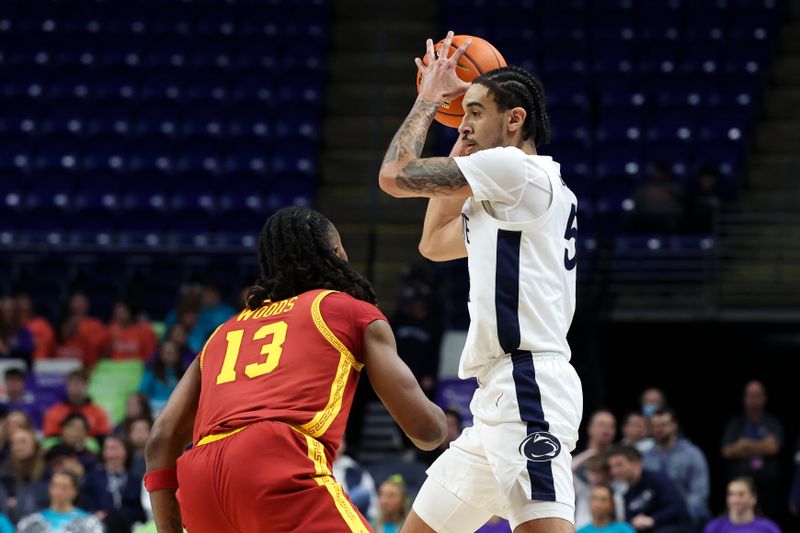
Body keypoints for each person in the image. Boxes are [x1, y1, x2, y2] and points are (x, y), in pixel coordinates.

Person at [379, 31, 582, 533]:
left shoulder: (515, 171)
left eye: (474, 112)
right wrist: (465, 140)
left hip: (529, 384)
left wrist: (428, 101)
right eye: (460, 112)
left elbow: (394, 175)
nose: (463, 122)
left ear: (515, 120)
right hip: (495, 393)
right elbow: (434, 242)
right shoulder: (508, 194)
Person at [145, 207, 447, 532]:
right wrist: (449, 419)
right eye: (341, 249)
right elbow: (426, 432)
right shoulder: (346, 310)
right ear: (331, 254)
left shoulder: (222, 333)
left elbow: (161, 439)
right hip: (274, 460)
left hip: (200, 486)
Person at [721, 380, 783, 520]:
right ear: (744, 398)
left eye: (757, 395)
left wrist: (744, 445)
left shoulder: (773, 423)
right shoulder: (735, 424)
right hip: (739, 481)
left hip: (767, 485)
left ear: (764, 397)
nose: (753, 399)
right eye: (750, 395)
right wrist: (762, 445)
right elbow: (727, 451)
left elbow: (773, 448)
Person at [643, 408, 711, 525]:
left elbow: (700, 493)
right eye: (655, 426)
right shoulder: (646, 457)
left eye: (663, 425)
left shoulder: (692, 454)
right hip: (656, 513)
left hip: (687, 510)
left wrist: (677, 509)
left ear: (674, 425)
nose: (658, 429)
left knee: (701, 513)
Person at [607, 445, 693, 533]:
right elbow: (629, 522)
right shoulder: (626, 493)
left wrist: (652, 520)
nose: (614, 471)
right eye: (612, 467)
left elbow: (677, 507)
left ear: (637, 463)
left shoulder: (657, 479)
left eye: (619, 465)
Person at [82, 435, 146, 532]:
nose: (111, 453)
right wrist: (96, 513)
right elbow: (85, 501)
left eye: (115, 448)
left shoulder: (134, 481)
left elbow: (140, 510)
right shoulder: (93, 477)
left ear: (126, 451)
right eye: (107, 448)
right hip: (99, 524)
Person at [16, 470, 103, 533]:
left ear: (75, 491)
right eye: (55, 486)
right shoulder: (31, 522)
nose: (58, 491)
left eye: (64, 487)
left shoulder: (89, 523)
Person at [42, 370, 111, 438]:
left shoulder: (99, 412)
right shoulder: (54, 412)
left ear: (87, 385)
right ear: (67, 386)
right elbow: (50, 437)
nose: (75, 387)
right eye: (72, 383)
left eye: (79, 383)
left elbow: (103, 437)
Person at [703, 477, 781, 533]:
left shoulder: (769, 528)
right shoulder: (714, 528)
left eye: (741, 494)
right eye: (731, 494)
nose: (735, 499)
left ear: (753, 499)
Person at [138, 340, 184, 415]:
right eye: (166, 352)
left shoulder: (183, 374)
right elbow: (143, 393)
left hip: (176, 410)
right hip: (154, 410)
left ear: (177, 355)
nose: (168, 355)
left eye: (171, 352)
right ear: (160, 354)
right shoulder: (152, 373)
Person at [573, 410, 617, 483]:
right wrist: (588, 454)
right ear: (590, 428)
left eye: (611, 426)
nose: (606, 428)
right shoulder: (574, 455)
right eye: (601, 424)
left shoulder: (619, 457)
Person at [17, 294, 56, 361]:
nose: (24, 310)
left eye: (26, 310)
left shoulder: (42, 325)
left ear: (31, 308)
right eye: (21, 310)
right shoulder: (11, 327)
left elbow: (49, 347)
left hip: (39, 364)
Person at [0, 296, 35, 368]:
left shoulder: (24, 332)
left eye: (13, 311)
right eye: (6, 311)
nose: (10, 315)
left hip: (18, 372)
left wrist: (7, 351)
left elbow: (27, 353)